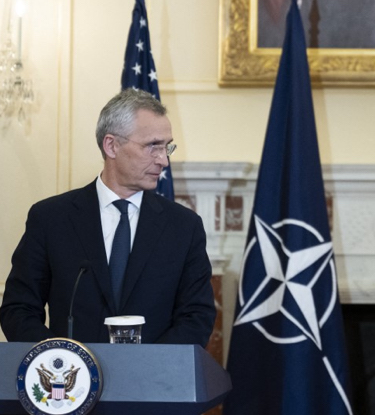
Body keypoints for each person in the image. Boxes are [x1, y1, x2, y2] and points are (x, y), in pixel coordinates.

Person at [0, 89, 215, 348]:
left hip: (153, 383)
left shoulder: (184, 227)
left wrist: (150, 366)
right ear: (111, 145)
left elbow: (197, 317)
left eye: (166, 146)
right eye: (152, 146)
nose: (164, 160)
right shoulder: (50, 218)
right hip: (70, 382)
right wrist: (62, 359)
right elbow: (18, 308)